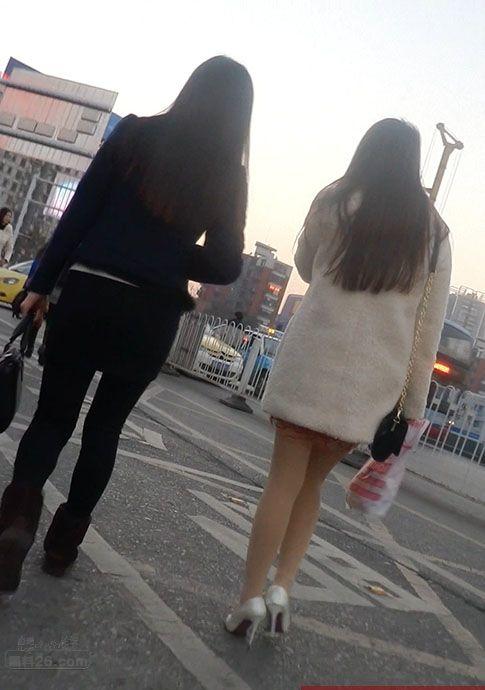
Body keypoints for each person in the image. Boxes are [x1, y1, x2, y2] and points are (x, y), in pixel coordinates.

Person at [0, 56, 253, 592]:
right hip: (150, 315)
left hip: (89, 293)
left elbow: (79, 213)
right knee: (105, 430)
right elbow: (227, 263)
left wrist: (40, 283)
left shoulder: (135, 134)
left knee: (52, 419)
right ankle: (63, 543)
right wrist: (170, 254)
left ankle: (14, 527)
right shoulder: (228, 173)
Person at [225, 119, 452, 646]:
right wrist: (412, 410)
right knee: (312, 487)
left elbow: (305, 267)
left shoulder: (334, 201)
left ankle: (249, 598)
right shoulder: (434, 233)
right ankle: (283, 589)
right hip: (369, 385)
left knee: (282, 482)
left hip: (310, 365)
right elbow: (427, 334)